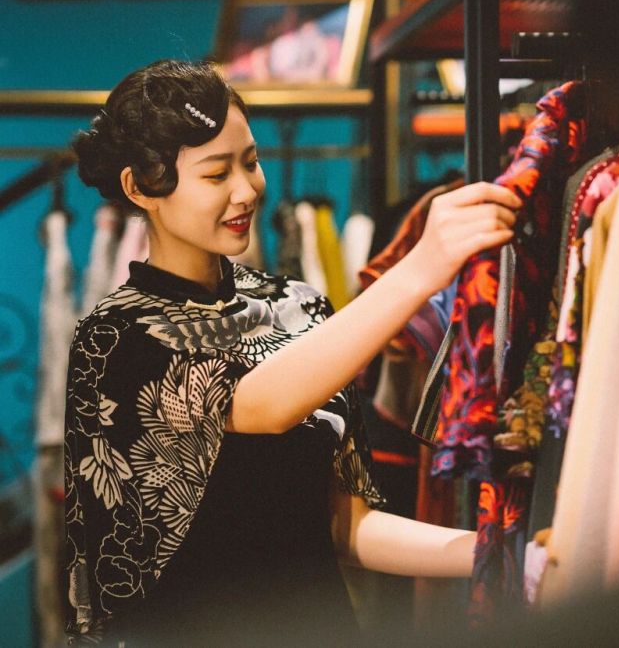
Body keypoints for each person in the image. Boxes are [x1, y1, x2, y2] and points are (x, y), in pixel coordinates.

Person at [65, 59, 521, 646]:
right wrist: (421, 267)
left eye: (250, 162)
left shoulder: (298, 306)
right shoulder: (115, 337)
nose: (246, 191)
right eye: (215, 174)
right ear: (139, 189)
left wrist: (495, 552)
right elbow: (261, 405)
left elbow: (344, 525)